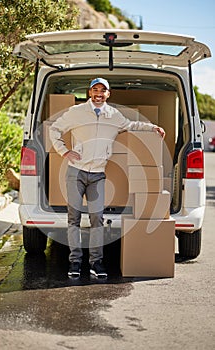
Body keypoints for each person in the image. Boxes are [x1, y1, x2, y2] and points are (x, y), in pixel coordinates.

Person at [50, 77, 165, 279]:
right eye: (95, 90)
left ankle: (96, 263)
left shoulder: (113, 115)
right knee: (73, 219)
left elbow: (131, 125)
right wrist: (64, 152)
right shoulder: (77, 112)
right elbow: (54, 129)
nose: (98, 94)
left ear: (108, 94)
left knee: (97, 219)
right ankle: (75, 262)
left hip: (97, 175)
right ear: (89, 92)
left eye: (103, 91)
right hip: (75, 172)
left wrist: (152, 127)